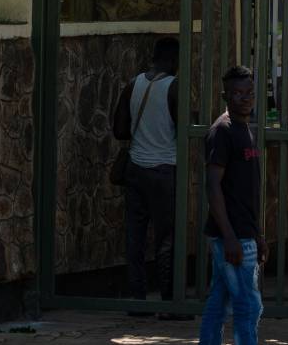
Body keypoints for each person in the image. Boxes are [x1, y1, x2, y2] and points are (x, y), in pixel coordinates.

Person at [111, 36, 187, 319]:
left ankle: (138, 299)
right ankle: (169, 303)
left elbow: (119, 129)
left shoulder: (134, 84)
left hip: (135, 170)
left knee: (136, 237)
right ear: (173, 59)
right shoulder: (173, 87)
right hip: (164, 170)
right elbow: (183, 130)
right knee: (167, 239)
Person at [199, 66, 265, 345]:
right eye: (237, 93)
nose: (244, 98)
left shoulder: (245, 129)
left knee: (220, 300)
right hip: (232, 235)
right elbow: (213, 185)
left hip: (244, 231)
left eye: (249, 92)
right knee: (248, 305)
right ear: (225, 95)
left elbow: (246, 190)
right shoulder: (222, 131)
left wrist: (258, 233)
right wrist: (229, 237)